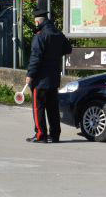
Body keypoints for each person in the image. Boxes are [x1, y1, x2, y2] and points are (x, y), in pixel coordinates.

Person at [26, 9, 72, 144]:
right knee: (53, 108)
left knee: (38, 107)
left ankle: (40, 135)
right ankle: (55, 135)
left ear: (37, 21)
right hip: (54, 78)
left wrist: (30, 75)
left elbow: (36, 57)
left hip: (40, 79)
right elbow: (68, 49)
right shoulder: (57, 33)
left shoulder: (40, 36)